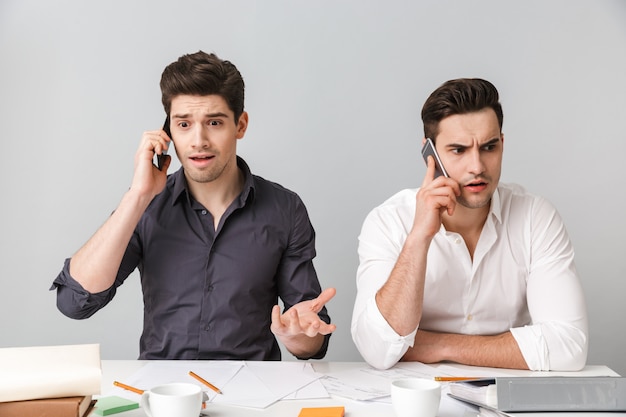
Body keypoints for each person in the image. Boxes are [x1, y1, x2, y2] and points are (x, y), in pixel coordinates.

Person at [51, 51, 336, 361]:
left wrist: (297, 336)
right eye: (184, 124)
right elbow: (75, 303)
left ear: (240, 125)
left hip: (252, 392)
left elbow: (311, 337)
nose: (199, 140)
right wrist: (137, 194)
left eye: (214, 122)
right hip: (164, 395)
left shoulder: (285, 208)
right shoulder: (146, 206)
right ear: (168, 132)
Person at [351, 78, 588, 371]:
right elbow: (378, 349)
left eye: (489, 147)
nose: (477, 166)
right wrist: (419, 238)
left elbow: (569, 346)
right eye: (458, 150)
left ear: (502, 144)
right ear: (430, 155)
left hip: (504, 397)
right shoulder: (389, 221)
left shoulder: (535, 217)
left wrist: (438, 345)